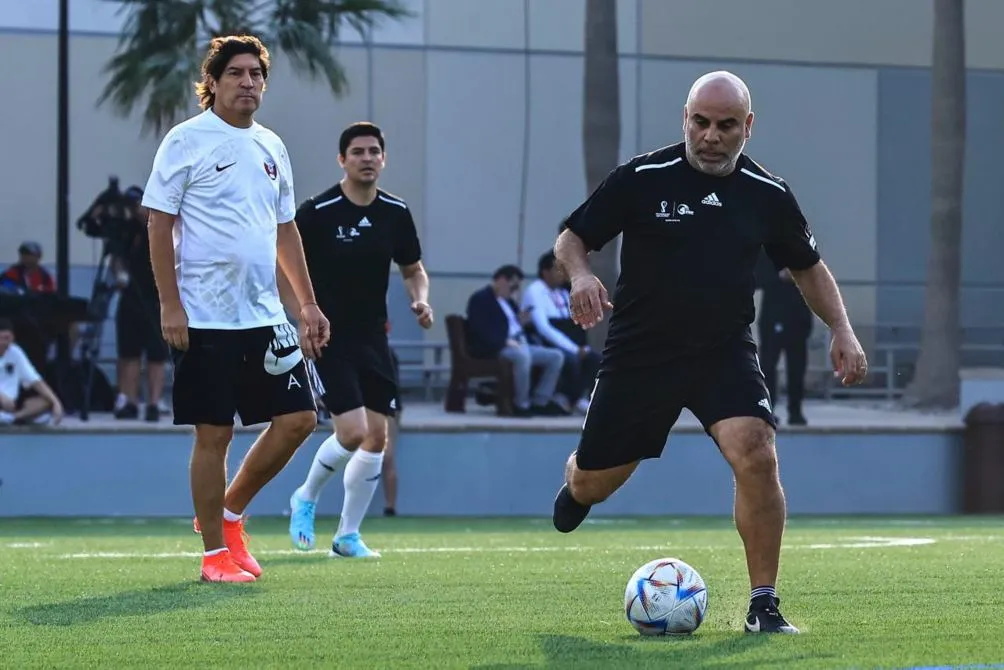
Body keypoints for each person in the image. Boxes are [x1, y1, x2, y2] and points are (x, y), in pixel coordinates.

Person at [550, 71, 868, 634]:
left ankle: (763, 605)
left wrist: (842, 329)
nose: (712, 136)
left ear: (747, 127)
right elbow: (572, 237)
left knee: (758, 450)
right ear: (685, 119)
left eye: (726, 125)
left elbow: (807, 267)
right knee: (594, 485)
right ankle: (577, 476)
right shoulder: (642, 178)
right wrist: (579, 276)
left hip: (723, 350)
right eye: (701, 122)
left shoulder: (768, 194)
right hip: (641, 354)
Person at [142, 35, 329, 583]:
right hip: (203, 318)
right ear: (214, 81)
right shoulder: (187, 140)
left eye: (257, 75)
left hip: (266, 316)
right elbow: (158, 222)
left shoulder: (272, 145)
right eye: (237, 73)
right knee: (214, 435)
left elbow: (285, 229)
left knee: (299, 420)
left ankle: (226, 516)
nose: (248, 83)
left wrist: (308, 304)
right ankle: (213, 557)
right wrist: (170, 305)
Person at [286, 122, 432, 558]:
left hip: (374, 338)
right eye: (358, 152)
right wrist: (299, 317)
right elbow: (284, 262)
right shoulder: (317, 211)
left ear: (383, 159)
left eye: (374, 152)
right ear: (342, 160)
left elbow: (413, 269)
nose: (367, 158)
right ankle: (305, 496)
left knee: (377, 438)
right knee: (351, 433)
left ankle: (347, 536)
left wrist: (420, 300)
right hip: (328, 336)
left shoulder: (395, 212)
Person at [465, 265, 567, 417]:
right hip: (498, 347)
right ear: (501, 280)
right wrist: (504, 341)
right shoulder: (481, 299)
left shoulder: (509, 302)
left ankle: (540, 401)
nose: (514, 290)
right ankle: (521, 404)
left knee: (556, 356)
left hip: (520, 343)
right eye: (512, 285)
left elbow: (512, 326)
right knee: (522, 356)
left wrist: (522, 322)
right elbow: (480, 329)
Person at [112, 186, 168, 422]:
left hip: (157, 300)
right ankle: (130, 401)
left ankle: (153, 403)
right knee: (130, 353)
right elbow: (116, 257)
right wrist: (120, 274)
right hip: (132, 299)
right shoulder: (126, 231)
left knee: (156, 355)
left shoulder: (161, 227)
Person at [521, 250, 600, 414]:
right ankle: (564, 399)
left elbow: (572, 324)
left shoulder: (563, 293)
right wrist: (574, 349)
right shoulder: (535, 291)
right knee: (571, 359)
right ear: (545, 272)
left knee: (595, 359)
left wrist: (581, 347)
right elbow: (544, 328)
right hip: (545, 341)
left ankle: (572, 399)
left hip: (567, 341)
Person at [755, 251, 813, 425]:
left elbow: (815, 277)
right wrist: (779, 276)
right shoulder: (766, 252)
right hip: (773, 317)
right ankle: (768, 410)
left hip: (798, 318)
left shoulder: (801, 247)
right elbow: (755, 279)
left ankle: (795, 411)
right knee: (768, 367)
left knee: (797, 368)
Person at [0, 318, 64, 426]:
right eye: (1, 338)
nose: (4, 342)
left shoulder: (16, 352)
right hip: (3, 400)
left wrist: (56, 402)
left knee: (45, 401)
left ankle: (12, 418)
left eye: (7, 338)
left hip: (12, 405)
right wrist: (1, 397)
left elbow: (35, 380)